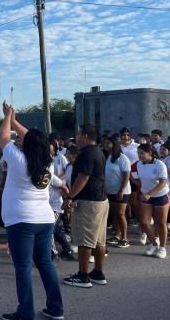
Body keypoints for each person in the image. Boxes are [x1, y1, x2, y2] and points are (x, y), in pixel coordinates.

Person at [0, 102, 63, 320]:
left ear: (28, 145)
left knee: (23, 268)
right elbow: (37, 139)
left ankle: (25, 313)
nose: (18, 139)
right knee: (46, 264)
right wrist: (15, 120)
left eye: (21, 139)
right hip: (44, 220)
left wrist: (8, 117)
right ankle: (56, 309)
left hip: (21, 221)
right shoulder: (48, 162)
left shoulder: (18, 160)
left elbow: (3, 138)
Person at [61, 124, 109, 289]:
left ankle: (83, 276)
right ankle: (98, 272)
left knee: (85, 240)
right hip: (101, 200)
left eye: (79, 134)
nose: (77, 137)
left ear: (87, 136)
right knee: (99, 240)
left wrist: (69, 196)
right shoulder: (98, 151)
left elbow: (83, 177)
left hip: (89, 202)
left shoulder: (86, 153)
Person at [136, 143, 170, 259]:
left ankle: (162, 247)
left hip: (160, 195)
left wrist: (149, 194)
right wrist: (142, 191)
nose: (139, 155)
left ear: (150, 153)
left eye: (142, 153)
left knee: (161, 222)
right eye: (138, 153)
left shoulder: (160, 164)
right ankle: (153, 243)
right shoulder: (139, 164)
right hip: (146, 195)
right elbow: (139, 179)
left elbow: (163, 183)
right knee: (144, 222)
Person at [103, 136, 131, 248]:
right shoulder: (107, 157)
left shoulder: (122, 158)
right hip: (110, 190)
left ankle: (124, 238)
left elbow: (126, 176)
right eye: (104, 143)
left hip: (122, 191)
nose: (105, 145)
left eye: (108, 143)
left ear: (114, 144)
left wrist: (121, 191)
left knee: (120, 214)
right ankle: (116, 235)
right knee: (114, 213)